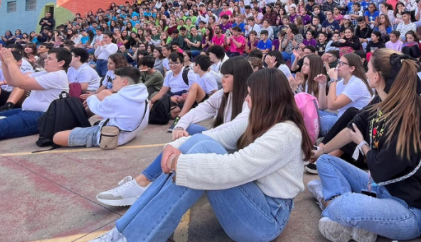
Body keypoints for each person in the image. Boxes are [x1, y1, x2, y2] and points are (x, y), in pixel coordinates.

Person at [89, 69, 311, 242]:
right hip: (254, 203)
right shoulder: (264, 118)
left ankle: (135, 236)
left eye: (251, 96)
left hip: (266, 220)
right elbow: (217, 137)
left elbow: (235, 168)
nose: (246, 100)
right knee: (201, 142)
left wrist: (178, 162)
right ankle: (122, 231)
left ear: (267, 98)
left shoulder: (286, 132)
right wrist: (174, 146)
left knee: (200, 153)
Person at [308, 49, 421, 241]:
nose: (366, 73)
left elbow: (380, 169)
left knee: (345, 205)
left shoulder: (405, 118)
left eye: (368, 68)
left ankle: (331, 203)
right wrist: (320, 151)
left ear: (376, 76)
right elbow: (350, 129)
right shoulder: (380, 99)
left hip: (406, 210)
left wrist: (362, 144)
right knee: (326, 162)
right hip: (380, 188)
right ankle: (344, 212)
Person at [53, 66, 149, 148]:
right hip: (128, 133)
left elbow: (96, 108)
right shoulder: (142, 97)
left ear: (124, 81)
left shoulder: (119, 99)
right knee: (103, 95)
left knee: (56, 137)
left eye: (115, 78)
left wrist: (93, 97)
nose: (113, 81)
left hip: (111, 136)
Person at [170, 56, 251, 139]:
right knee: (186, 129)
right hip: (218, 136)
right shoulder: (223, 93)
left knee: (192, 142)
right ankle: (180, 119)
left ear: (239, 77)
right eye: (222, 76)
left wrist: (202, 137)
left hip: (233, 145)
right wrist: (180, 126)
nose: (222, 80)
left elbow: (233, 128)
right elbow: (200, 109)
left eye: (226, 76)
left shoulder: (250, 101)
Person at [315, 53, 372, 136]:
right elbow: (323, 106)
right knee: (315, 112)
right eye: (338, 62)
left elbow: (332, 105)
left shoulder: (356, 83)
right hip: (341, 118)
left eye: (342, 63)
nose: (338, 65)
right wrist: (322, 84)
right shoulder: (341, 83)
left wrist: (333, 80)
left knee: (314, 121)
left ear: (352, 68)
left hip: (351, 125)